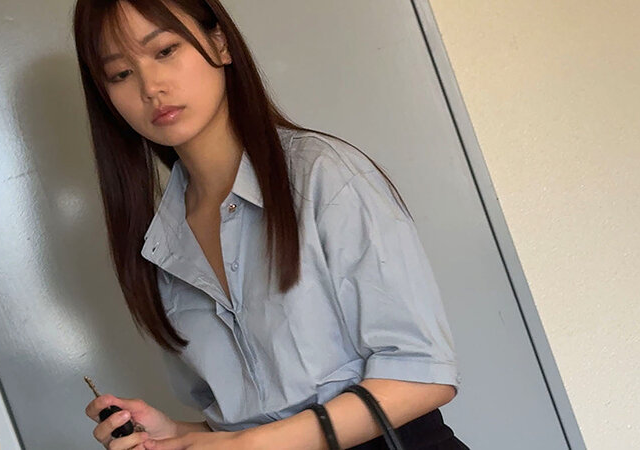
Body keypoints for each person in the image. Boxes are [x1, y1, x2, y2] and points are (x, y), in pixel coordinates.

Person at [72, 0, 468, 448]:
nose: (150, 86)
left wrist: (243, 447)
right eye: (120, 73)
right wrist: (178, 435)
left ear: (220, 43)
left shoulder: (320, 175)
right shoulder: (159, 244)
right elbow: (253, 421)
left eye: (165, 51)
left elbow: (423, 376)